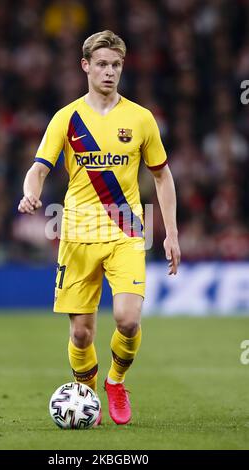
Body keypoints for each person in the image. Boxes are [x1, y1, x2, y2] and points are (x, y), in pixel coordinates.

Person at [18, 30, 181, 426]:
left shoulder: (141, 119)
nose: (110, 72)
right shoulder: (67, 118)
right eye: (103, 64)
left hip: (126, 229)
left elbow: (162, 176)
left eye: (116, 65)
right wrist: (30, 193)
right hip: (76, 232)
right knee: (82, 336)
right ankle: (84, 394)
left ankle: (116, 382)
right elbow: (40, 167)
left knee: (128, 320)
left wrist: (171, 232)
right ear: (86, 66)